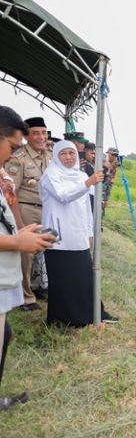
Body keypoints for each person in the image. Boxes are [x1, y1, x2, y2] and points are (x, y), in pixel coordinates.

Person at [0, 106, 56, 410]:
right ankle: (26, 294)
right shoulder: (16, 165)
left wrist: (21, 232)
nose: (11, 156)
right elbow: (13, 199)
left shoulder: (46, 158)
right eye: (11, 146)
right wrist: (18, 235)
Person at [39, 141, 118, 327]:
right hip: (57, 235)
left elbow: (86, 208)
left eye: (72, 153)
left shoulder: (80, 175)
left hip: (78, 234)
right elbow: (63, 196)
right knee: (62, 279)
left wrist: (90, 232)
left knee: (83, 277)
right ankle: (64, 319)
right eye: (64, 154)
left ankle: (89, 314)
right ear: (57, 156)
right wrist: (88, 182)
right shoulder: (51, 175)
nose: (68, 157)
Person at [3, 116, 53, 311]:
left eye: (44, 132)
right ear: (27, 136)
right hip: (26, 209)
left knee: (46, 250)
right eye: (36, 133)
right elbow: (11, 193)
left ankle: (41, 286)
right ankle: (27, 297)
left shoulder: (50, 156)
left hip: (48, 210)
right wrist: (19, 224)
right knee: (26, 256)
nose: (41, 137)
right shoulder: (18, 159)